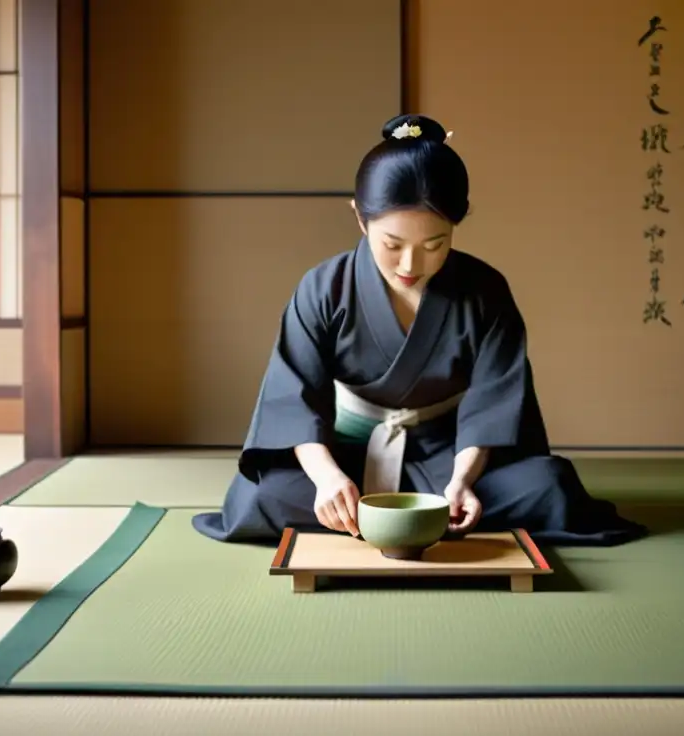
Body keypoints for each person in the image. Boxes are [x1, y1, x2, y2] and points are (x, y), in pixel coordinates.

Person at [192, 114, 647, 547]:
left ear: (455, 225)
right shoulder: (323, 288)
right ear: (359, 218)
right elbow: (292, 401)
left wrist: (463, 482)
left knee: (550, 487)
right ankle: (363, 508)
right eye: (392, 244)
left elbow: (493, 403)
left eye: (435, 244)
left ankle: (431, 510)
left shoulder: (484, 291)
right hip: (348, 454)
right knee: (257, 496)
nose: (411, 265)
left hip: (448, 455)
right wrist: (327, 480)